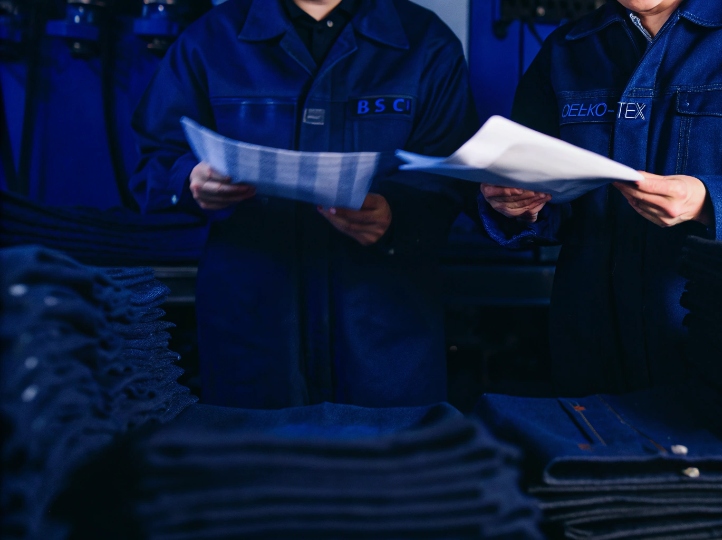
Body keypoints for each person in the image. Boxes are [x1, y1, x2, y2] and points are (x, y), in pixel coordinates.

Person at [480, 0, 722, 396]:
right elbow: (550, 199)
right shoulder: (568, 48)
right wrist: (519, 205)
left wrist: (708, 202)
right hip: (592, 351)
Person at [130, 0, 478, 409]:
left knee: (387, 465)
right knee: (260, 464)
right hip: (253, 323)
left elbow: (455, 176)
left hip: (385, 328)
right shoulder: (210, 40)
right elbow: (154, 161)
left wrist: (395, 214)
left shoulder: (425, 42)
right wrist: (190, 179)